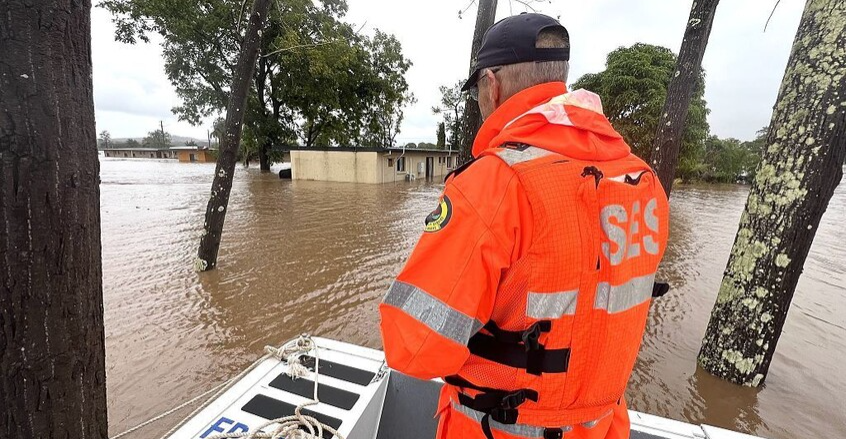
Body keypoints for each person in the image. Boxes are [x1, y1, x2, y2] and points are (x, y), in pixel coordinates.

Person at [380, 13, 670, 439]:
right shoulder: (643, 182)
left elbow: (414, 348)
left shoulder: (495, 184)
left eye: (478, 91)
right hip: (601, 428)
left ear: (491, 86)